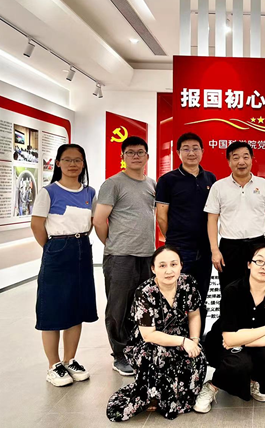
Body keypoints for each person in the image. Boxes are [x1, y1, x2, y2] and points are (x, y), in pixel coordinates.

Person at [106, 246, 207, 421]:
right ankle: (154, 396)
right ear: (153, 269)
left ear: (181, 266)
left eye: (173, 264)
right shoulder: (145, 292)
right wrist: (183, 341)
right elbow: (149, 335)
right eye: (162, 265)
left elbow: (194, 315)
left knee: (198, 358)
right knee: (161, 355)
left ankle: (176, 397)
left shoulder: (188, 283)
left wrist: (194, 340)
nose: (169, 270)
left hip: (181, 336)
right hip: (148, 343)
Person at [31, 144, 97, 387]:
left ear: (83, 163)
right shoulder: (48, 192)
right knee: (53, 308)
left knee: (76, 307)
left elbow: (92, 222)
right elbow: (37, 225)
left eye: (77, 160)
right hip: (57, 249)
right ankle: (54, 365)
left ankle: (70, 360)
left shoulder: (90, 192)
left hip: (82, 248)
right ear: (58, 163)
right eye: (67, 160)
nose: (73, 164)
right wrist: (52, 249)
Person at [195, 245, 265, 413]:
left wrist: (243, 340)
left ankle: (253, 381)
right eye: (259, 261)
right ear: (249, 264)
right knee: (239, 364)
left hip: (251, 344)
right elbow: (229, 339)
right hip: (222, 345)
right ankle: (212, 386)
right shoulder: (232, 291)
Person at [93, 136, 157, 376]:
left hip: (147, 255)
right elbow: (99, 220)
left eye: (140, 152)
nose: (136, 156)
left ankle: (138, 350)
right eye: (130, 152)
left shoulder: (151, 184)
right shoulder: (113, 184)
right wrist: (112, 244)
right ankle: (120, 355)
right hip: (120, 256)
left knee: (142, 306)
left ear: (147, 157)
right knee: (118, 308)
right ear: (122, 157)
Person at [155, 132, 216, 334]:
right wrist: (173, 241)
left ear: (202, 151)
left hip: (205, 249)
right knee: (177, 295)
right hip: (180, 249)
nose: (191, 153)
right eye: (186, 149)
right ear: (178, 152)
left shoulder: (210, 178)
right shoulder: (167, 180)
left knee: (201, 295)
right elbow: (161, 216)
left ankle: (198, 339)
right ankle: (177, 340)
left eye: (195, 148)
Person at [204, 142, 265, 290]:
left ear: (252, 159)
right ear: (229, 161)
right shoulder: (218, 187)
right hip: (229, 247)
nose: (241, 162)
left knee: (258, 290)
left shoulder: (264, 185)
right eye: (236, 157)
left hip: (257, 245)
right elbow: (212, 220)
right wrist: (215, 250)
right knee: (229, 290)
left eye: (245, 157)